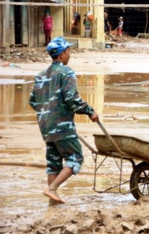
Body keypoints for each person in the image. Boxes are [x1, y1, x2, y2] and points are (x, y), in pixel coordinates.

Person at [29, 37, 99, 204]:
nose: (70, 54)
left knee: (53, 162)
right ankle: (52, 189)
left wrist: (47, 113)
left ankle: (52, 201)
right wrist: (90, 112)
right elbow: (72, 99)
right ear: (61, 55)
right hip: (62, 125)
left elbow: (33, 101)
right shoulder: (66, 72)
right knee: (75, 157)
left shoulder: (40, 75)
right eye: (68, 51)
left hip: (45, 127)